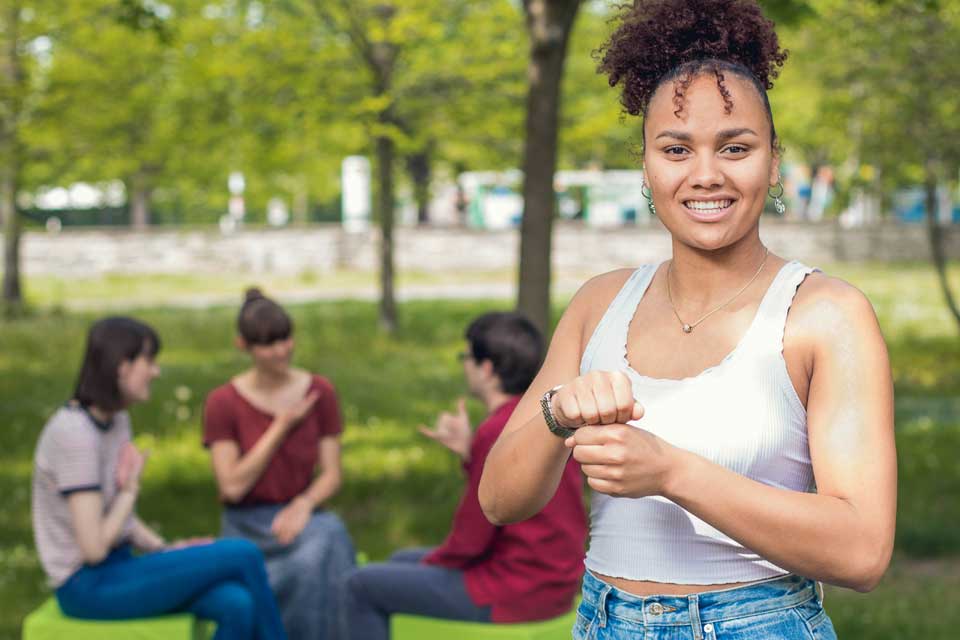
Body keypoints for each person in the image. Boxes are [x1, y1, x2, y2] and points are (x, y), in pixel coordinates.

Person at [478, 2, 897, 639]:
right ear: (646, 165)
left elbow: (863, 552)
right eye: (676, 149)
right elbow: (500, 502)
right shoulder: (600, 304)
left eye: (735, 147)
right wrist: (559, 410)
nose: (706, 174)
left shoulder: (823, 315)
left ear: (773, 161)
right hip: (600, 621)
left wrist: (671, 472)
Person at [31, 316, 286, 640]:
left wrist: (164, 548)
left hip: (119, 566)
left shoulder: (116, 420)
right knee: (243, 553)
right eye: (148, 361)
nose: (156, 371)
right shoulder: (74, 434)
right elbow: (93, 547)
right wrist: (129, 492)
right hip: (86, 586)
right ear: (122, 366)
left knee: (236, 604)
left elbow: (115, 519)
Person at [340, 312, 587, 640]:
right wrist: (471, 454)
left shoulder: (496, 431)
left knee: (359, 584)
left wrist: (433, 563)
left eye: (466, 357)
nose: (465, 365)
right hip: (556, 581)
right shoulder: (539, 421)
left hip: (516, 590)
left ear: (486, 369)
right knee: (400, 560)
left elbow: (473, 537)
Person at [203, 289, 354, 640]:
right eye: (269, 344)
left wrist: (304, 504)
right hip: (248, 526)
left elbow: (332, 473)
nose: (282, 350)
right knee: (311, 560)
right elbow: (231, 486)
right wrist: (281, 426)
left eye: (286, 339)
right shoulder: (223, 402)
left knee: (329, 536)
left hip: (300, 518)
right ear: (243, 346)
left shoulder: (320, 391)